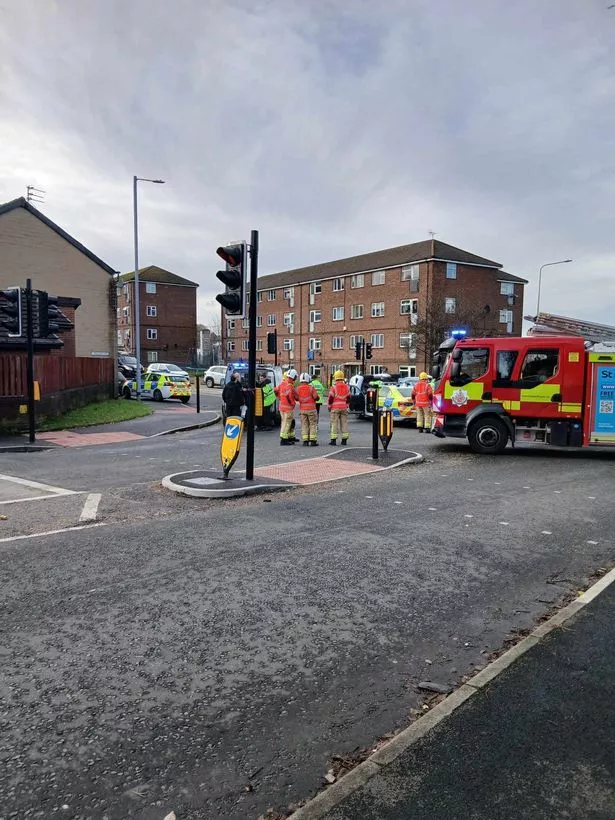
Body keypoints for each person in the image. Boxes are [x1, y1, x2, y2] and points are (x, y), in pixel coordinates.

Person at [295, 372, 319, 446]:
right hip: (311, 409)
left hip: (303, 410)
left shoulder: (298, 389)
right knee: (312, 424)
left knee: (304, 424)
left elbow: (296, 398)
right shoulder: (311, 388)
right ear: (308, 379)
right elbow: (316, 397)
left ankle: (305, 441)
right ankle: (313, 440)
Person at [274, 368, 298, 445]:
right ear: (293, 377)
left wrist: (280, 397)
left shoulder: (282, 384)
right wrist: (293, 403)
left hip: (281, 407)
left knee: (286, 422)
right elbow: (289, 395)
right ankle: (284, 439)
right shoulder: (289, 385)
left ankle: (290, 437)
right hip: (288, 408)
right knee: (287, 423)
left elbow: (275, 390)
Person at [328, 370, 350, 445]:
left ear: (335, 378)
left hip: (335, 407)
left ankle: (333, 440)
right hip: (344, 407)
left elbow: (331, 397)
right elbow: (349, 397)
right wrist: (347, 404)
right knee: (344, 423)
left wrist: (329, 406)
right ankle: (344, 440)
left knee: (334, 423)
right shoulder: (346, 386)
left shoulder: (333, 387)